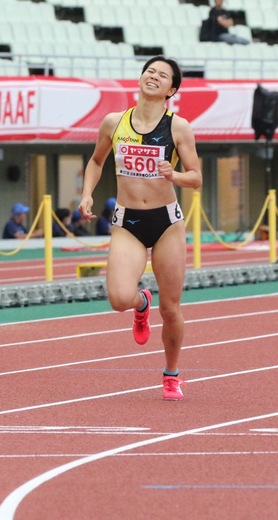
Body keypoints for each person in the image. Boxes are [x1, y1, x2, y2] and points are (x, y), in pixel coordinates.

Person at [78, 55, 202, 401]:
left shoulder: (179, 127)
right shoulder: (114, 122)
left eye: (162, 75)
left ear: (171, 90)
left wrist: (173, 174)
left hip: (166, 222)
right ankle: (140, 303)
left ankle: (171, 374)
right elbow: (96, 160)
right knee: (118, 298)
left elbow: (196, 177)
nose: (153, 77)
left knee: (172, 308)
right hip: (127, 221)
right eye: (149, 71)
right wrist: (87, 193)